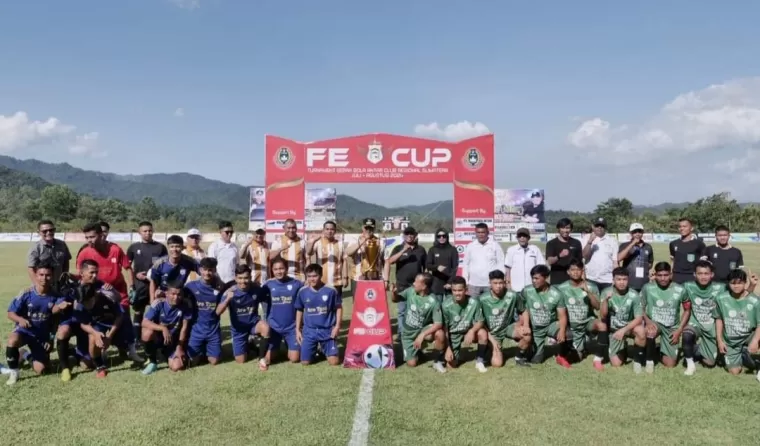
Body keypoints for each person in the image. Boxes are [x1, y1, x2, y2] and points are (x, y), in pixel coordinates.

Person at [54, 260, 126, 381]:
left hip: (87, 324)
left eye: (96, 273)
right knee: (63, 332)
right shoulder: (70, 286)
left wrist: (112, 291)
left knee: (86, 365)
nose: (95, 276)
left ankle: (75, 352)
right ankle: (65, 367)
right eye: (91, 273)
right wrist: (60, 306)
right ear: (81, 273)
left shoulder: (101, 286)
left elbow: (117, 300)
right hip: (73, 322)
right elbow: (55, 307)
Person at [77, 222, 139, 360]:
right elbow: (81, 274)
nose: (89, 240)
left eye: (92, 237)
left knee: (124, 320)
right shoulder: (85, 252)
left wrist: (131, 287)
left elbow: (128, 268)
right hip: (97, 296)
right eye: (86, 237)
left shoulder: (115, 249)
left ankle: (130, 350)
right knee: (100, 322)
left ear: (101, 235)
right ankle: (102, 351)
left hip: (119, 294)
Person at [4, 262, 61, 385]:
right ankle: (14, 372)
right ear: (35, 274)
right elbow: (10, 313)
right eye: (41, 274)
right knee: (12, 340)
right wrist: (20, 320)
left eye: (48, 275)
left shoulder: (56, 296)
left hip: (41, 336)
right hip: (24, 332)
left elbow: (55, 321)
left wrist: (51, 339)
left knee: (41, 370)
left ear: (53, 276)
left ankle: (25, 354)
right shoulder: (26, 293)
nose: (44, 278)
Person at [73, 268, 132, 378]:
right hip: (99, 326)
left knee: (124, 340)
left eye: (88, 302)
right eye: (84, 303)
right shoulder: (81, 303)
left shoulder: (107, 297)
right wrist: (96, 334)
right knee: (92, 338)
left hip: (115, 325)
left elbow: (119, 317)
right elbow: (83, 324)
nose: (86, 305)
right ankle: (100, 366)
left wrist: (110, 336)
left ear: (94, 295)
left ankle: (123, 349)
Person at [216, 265, 271, 370]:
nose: (243, 281)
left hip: (253, 324)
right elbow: (218, 312)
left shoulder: (256, 289)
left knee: (265, 327)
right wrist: (227, 299)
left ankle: (261, 358)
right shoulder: (230, 292)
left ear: (250, 277)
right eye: (240, 278)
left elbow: (268, 298)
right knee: (240, 361)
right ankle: (249, 344)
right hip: (239, 329)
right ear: (236, 278)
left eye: (246, 278)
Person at [557, 259, 607, 371]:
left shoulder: (592, 286)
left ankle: (598, 359)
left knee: (602, 325)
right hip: (571, 325)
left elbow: (597, 306)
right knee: (575, 357)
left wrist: (588, 292)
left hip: (587, 322)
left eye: (578, 270)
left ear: (582, 271)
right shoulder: (561, 288)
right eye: (572, 270)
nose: (575, 272)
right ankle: (577, 348)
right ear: (568, 272)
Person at [390, 273, 446, 373]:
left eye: (416, 282)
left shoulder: (433, 301)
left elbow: (438, 324)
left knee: (440, 333)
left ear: (424, 286)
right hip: (408, 334)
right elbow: (395, 299)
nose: (414, 283)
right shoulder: (411, 291)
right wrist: (394, 293)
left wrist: (422, 335)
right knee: (412, 364)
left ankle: (438, 361)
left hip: (422, 330)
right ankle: (418, 352)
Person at [641, 262, 690, 373]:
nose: (663, 278)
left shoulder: (681, 289)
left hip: (672, 327)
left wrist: (679, 330)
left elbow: (687, 310)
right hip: (655, 323)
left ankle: (658, 349)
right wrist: (648, 321)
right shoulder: (647, 288)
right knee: (650, 331)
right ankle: (649, 361)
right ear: (655, 275)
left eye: (666, 275)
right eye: (659, 275)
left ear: (671, 275)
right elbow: (641, 308)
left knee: (670, 364)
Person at [714, 269, 760, 380]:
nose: (736, 286)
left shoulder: (755, 301)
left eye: (739, 283)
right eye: (733, 283)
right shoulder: (721, 298)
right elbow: (718, 319)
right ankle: (743, 354)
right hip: (731, 340)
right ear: (728, 284)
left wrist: (755, 341)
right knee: (734, 372)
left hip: (749, 334)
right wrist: (720, 341)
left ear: (745, 283)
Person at [522, 265, 571, 368]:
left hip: (550, 325)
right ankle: (531, 348)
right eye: (532, 278)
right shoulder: (526, 291)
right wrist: (525, 325)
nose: (534, 281)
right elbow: (523, 310)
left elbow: (562, 316)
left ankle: (562, 356)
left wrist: (561, 331)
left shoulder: (557, 294)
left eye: (537, 278)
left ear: (546, 278)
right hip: (534, 327)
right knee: (536, 360)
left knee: (567, 334)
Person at [480, 270, 532, 367]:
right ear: (490, 283)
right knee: (497, 364)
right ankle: (491, 349)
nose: (498, 286)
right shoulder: (482, 299)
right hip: (492, 332)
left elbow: (524, 310)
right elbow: (480, 323)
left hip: (508, 327)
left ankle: (519, 357)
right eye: (495, 283)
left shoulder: (512, 295)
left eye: (501, 283)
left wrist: (525, 325)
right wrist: (493, 342)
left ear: (504, 282)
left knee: (527, 335)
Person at [140, 280, 193, 375]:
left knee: (177, 367)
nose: (176, 297)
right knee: (147, 333)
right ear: (167, 293)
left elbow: (184, 328)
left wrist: (179, 347)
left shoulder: (185, 306)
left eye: (179, 294)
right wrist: (163, 328)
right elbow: (144, 322)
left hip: (173, 341)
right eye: (173, 294)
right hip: (158, 338)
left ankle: (165, 354)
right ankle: (153, 362)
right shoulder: (159, 303)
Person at [126, 221, 168, 340]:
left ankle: (157, 338)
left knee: (157, 312)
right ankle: (136, 338)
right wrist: (134, 278)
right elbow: (127, 268)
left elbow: (165, 266)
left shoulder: (160, 247)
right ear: (139, 232)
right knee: (138, 313)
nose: (148, 233)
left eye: (150, 230)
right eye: (145, 231)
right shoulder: (133, 248)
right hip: (140, 286)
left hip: (156, 285)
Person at [295, 263, 342, 366]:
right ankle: (314, 349)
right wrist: (297, 329)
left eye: (315, 276)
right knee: (305, 362)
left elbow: (338, 308)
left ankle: (325, 350)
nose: (312, 279)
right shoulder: (302, 292)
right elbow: (299, 310)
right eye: (309, 276)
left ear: (321, 276)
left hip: (327, 330)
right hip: (309, 331)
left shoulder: (331, 291)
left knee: (334, 362)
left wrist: (337, 326)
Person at [681, 260, 724, 375]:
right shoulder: (688, 286)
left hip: (712, 327)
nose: (703, 277)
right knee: (687, 334)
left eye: (706, 273)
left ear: (712, 275)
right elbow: (670, 290)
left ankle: (697, 348)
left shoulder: (721, 288)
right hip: (696, 323)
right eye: (700, 273)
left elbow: (740, 295)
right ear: (695, 274)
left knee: (709, 363)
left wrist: (752, 286)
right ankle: (690, 365)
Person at [601, 267, 646, 372]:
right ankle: (624, 348)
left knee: (641, 330)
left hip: (629, 328)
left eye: (624, 279)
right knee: (616, 364)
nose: (622, 282)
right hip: (614, 330)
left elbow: (639, 319)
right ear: (613, 280)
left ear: (628, 280)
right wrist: (605, 301)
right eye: (619, 279)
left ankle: (638, 361)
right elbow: (603, 316)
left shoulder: (634, 294)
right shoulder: (606, 292)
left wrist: (624, 330)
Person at [386, 226, 428, 334]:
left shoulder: (421, 250)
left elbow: (426, 267)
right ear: (404, 236)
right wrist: (403, 250)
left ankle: (415, 333)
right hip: (402, 285)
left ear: (415, 235)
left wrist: (425, 282)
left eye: (411, 234)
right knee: (402, 311)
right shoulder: (398, 248)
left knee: (416, 311)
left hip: (416, 286)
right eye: (407, 234)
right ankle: (401, 334)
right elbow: (390, 261)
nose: (409, 236)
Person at [441, 276, 488, 372]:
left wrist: (472, 330)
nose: (457, 293)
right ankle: (451, 354)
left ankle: (480, 360)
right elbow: (444, 329)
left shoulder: (474, 302)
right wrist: (448, 348)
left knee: (482, 332)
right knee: (452, 365)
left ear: (465, 290)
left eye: (460, 290)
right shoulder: (445, 305)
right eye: (454, 290)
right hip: (453, 334)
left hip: (468, 331)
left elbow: (480, 321)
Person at [264, 257, 304, 364]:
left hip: (291, 327)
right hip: (274, 328)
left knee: (294, 359)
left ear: (286, 269)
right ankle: (276, 347)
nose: (279, 271)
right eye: (276, 269)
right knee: (268, 359)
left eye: (281, 268)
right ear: (272, 270)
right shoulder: (268, 285)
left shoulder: (297, 284)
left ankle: (289, 345)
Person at [186, 258, 225, 366]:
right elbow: (175, 293)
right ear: (200, 270)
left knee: (214, 361)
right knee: (192, 362)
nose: (207, 273)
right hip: (196, 330)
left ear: (215, 270)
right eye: (205, 270)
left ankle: (209, 348)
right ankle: (201, 348)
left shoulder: (220, 287)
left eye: (210, 270)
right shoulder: (190, 286)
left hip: (213, 330)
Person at [148, 235, 199, 303]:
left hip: (180, 294)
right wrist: (152, 301)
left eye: (177, 246)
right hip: (163, 294)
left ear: (182, 247)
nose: (174, 249)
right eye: (172, 247)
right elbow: (153, 281)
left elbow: (204, 271)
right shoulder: (159, 263)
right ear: (168, 248)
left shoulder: (189, 261)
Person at [27, 219, 71, 293]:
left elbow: (66, 261)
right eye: (44, 231)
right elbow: (31, 269)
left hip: (59, 285)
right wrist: (38, 286)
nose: (48, 233)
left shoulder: (62, 244)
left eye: (51, 230)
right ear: (39, 232)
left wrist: (64, 278)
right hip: (42, 286)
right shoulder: (36, 248)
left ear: (54, 230)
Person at [462, 222, 504, 298]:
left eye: (483, 232)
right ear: (475, 233)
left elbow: (501, 263)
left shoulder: (495, 245)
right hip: (473, 284)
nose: (481, 234)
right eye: (478, 232)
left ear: (487, 233)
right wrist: (466, 281)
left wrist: (499, 281)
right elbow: (465, 265)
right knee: (474, 307)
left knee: (490, 307)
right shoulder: (470, 246)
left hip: (490, 284)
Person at [345, 218, 387, 285]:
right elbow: (348, 252)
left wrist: (386, 279)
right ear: (362, 228)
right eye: (366, 228)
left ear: (374, 228)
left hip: (376, 278)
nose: (368, 230)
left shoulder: (380, 241)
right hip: (357, 278)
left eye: (371, 228)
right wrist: (363, 240)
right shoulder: (355, 239)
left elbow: (384, 261)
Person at [581, 217, 618, 292]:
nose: (600, 228)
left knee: (606, 302)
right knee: (592, 302)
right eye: (597, 225)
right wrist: (590, 241)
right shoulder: (586, 238)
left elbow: (615, 262)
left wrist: (615, 278)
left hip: (607, 279)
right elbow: (584, 256)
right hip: (591, 278)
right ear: (592, 226)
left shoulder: (612, 240)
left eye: (602, 226)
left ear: (605, 228)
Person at [307, 221, 344, 295]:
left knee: (336, 305)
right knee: (321, 305)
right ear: (323, 230)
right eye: (327, 229)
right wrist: (313, 241)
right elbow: (309, 253)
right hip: (321, 281)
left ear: (335, 231)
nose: (329, 231)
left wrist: (345, 277)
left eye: (332, 229)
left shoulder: (340, 243)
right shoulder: (318, 242)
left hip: (336, 281)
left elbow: (344, 261)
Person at [504, 227, 545, 292]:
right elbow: (507, 269)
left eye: (524, 236)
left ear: (528, 238)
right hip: (516, 288)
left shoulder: (535, 249)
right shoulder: (511, 250)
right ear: (517, 238)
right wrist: (508, 284)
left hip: (532, 287)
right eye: (520, 236)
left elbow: (541, 268)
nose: (522, 238)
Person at [545, 218, 583, 285]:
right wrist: (559, 256)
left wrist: (583, 278)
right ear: (558, 229)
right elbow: (549, 261)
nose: (565, 230)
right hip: (557, 280)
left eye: (567, 228)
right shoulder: (551, 243)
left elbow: (580, 263)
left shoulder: (576, 243)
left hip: (573, 280)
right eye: (562, 228)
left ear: (571, 229)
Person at [617, 223, 654, 292]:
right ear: (631, 233)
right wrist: (632, 244)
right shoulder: (624, 245)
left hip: (644, 282)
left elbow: (650, 263)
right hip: (628, 281)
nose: (637, 234)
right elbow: (618, 258)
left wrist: (644, 269)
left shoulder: (648, 247)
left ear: (642, 232)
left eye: (639, 231)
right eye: (635, 232)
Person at [425, 228, 459, 302]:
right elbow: (428, 265)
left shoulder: (452, 250)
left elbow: (455, 268)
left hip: (449, 283)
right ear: (436, 237)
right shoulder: (432, 249)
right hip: (436, 283)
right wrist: (436, 267)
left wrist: (450, 282)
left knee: (448, 308)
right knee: (437, 308)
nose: (441, 238)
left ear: (447, 237)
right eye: (439, 236)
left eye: (444, 236)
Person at [669, 218, 706, 284]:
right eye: (680, 226)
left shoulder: (699, 244)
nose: (682, 228)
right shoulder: (673, 243)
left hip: (692, 277)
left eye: (685, 226)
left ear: (691, 228)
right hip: (677, 277)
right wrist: (671, 273)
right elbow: (672, 260)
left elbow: (703, 263)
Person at [206, 221, 239, 286]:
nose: (229, 234)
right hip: (217, 283)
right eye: (227, 232)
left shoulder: (234, 247)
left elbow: (237, 265)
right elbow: (210, 266)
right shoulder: (214, 246)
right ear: (220, 232)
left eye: (231, 232)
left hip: (232, 282)